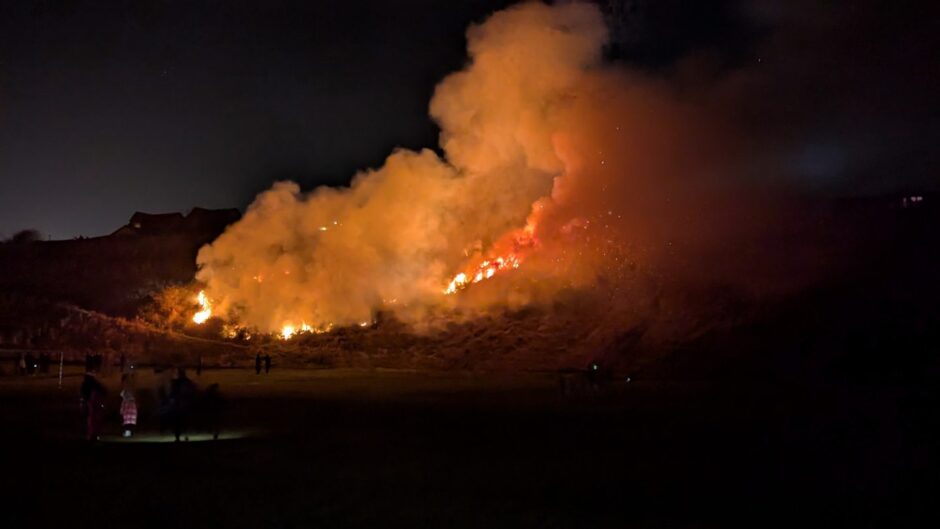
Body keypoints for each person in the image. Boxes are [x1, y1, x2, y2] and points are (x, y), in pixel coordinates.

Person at [169, 368, 197, 442]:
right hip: (182, 405)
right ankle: (182, 435)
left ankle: (179, 436)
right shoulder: (186, 382)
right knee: (182, 421)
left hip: (180, 405)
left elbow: (173, 393)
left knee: (179, 421)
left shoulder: (177, 382)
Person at [79, 373, 106, 441]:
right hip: (93, 405)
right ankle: (93, 434)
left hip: (92, 405)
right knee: (93, 420)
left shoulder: (88, 386)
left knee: (91, 420)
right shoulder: (96, 386)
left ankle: (92, 434)